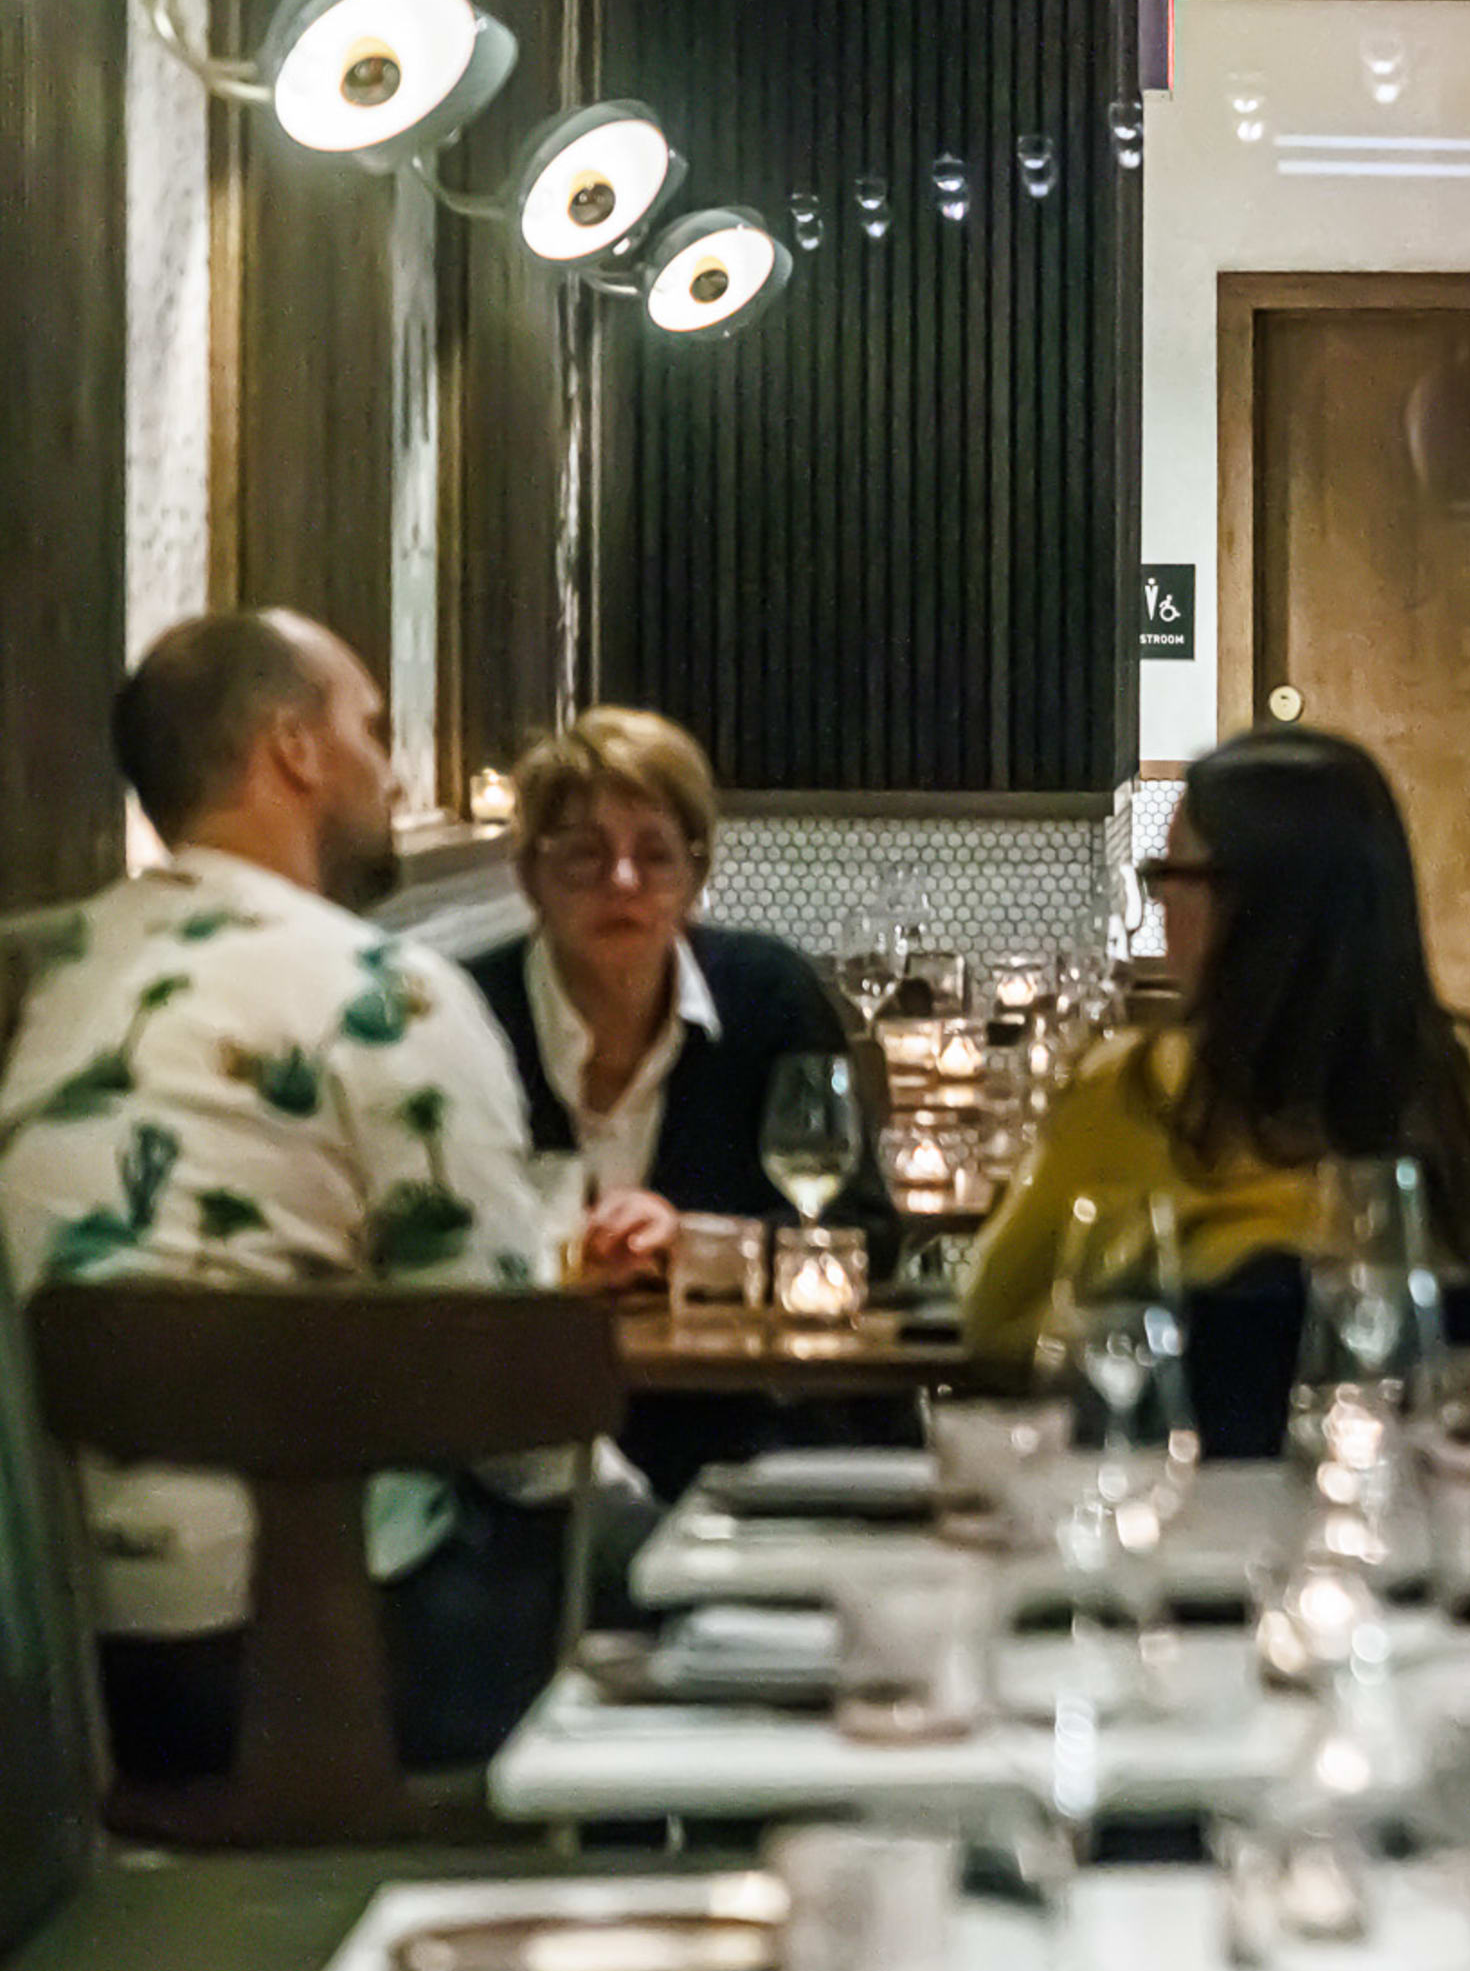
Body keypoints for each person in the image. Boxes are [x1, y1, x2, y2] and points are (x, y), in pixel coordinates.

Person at [0, 610, 615, 1782]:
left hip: (61, 1670)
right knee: (634, 1555)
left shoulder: (56, 977)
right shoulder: (384, 993)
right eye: (373, 730)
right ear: (294, 750)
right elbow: (522, 1428)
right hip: (329, 1665)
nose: (389, 768)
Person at [959, 726, 1470, 1361]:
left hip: (1199, 1457)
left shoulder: (1136, 1094)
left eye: (1167, 873)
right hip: (1431, 1453)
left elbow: (991, 1319)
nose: (1157, 903)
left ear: (1247, 902)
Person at [466, 707, 885, 1257]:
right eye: (586, 854)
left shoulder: (770, 992)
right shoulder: (464, 1009)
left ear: (695, 879)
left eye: (656, 856)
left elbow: (868, 1229)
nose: (623, 880)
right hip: (522, 1345)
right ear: (530, 875)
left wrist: (693, 1243)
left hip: (718, 1344)